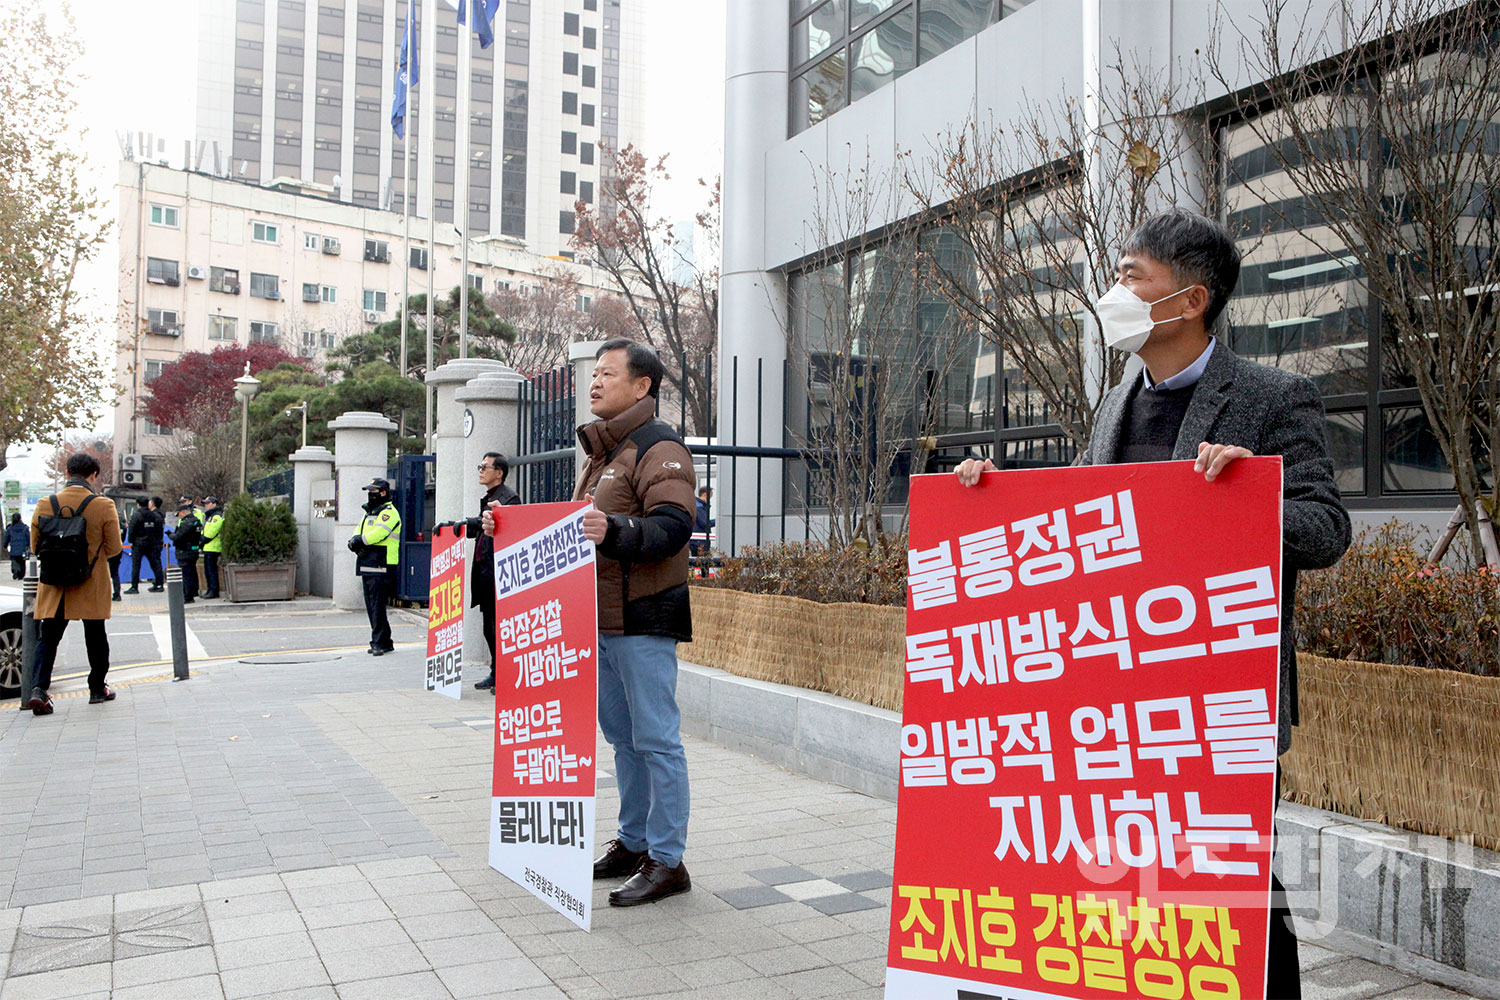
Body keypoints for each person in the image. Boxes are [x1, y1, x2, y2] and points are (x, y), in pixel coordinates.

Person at [955, 209, 1350, 999]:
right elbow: (1077, 524)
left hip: (1219, 699)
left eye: (1131, 276)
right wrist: (989, 497)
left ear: (1191, 298)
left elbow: (1326, 528)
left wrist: (1246, 500)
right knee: (1131, 882)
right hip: (1117, 699)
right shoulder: (1114, 402)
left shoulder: (1273, 396)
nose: (1114, 293)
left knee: (1234, 885)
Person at [488, 338, 696, 907]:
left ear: (642, 385)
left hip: (644, 617)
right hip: (598, 621)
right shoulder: (603, 455)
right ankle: (633, 843)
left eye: (608, 373)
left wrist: (619, 532)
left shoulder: (660, 447)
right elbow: (571, 530)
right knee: (623, 739)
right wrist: (504, 528)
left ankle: (668, 860)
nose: (595, 382)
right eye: (594, 373)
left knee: (656, 740)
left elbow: (675, 527)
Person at [27, 452, 125, 715]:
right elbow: (114, 548)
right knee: (95, 636)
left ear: (67, 474)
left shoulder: (45, 504)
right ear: (93, 476)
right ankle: (96, 689)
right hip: (90, 581)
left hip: (55, 583)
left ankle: (38, 690)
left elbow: (35, 546)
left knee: (48, 638)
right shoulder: (103, 505)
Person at [464, 451, 520, 692]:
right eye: (480, 466)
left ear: (499, 473)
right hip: (485, 570)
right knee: (488, 625)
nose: (480, 470)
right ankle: (496, 672)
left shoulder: (509, 499)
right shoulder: (490, 497)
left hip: (499, 572)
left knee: (499, 625)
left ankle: (506, 674)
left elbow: (510, 531)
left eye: (484, 467)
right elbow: (479, 526)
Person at [349, 477, 401, 655]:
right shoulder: (370, 512)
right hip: (369, 563)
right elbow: (360, 529)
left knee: (377, 605)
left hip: (382, 563)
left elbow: (379, 533)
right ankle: (385, 640)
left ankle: (379, 642)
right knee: (372, 605)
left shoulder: (389, 512)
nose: (370, 495)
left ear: (384, 493)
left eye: (373, 492)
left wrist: (360, 540)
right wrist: (354, 541)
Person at [126, 497, 165, 594]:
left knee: (136, 565)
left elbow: (132, 530)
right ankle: (159, 584)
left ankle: (134, 587)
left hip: (138, 544)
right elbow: (159, 530)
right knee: (155, 564)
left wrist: (131, 541)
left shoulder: (136, 515)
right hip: (151, 543)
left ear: (138, 504)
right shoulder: (154, 515)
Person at [171, 500, 202, 604]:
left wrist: (169, 534)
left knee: (186, 574)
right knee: (192, 572)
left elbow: (178, 536)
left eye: (179, 514)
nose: (179, 516)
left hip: (185, 551)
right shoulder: (196, 521)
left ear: (183, 512)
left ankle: (188, 596)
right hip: (193, 550)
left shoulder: (186, 523)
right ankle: (193, 592)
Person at [200, 496, 224, 599]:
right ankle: (210, 589)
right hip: (208, 548)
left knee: (212, 571)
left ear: (214, 503)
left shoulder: (216, 517)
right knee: (207, 571)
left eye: (208, 503)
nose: (206, 505)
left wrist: (202, 540)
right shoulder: (209, 516)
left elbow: (212, 532)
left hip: (213, 548)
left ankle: (214, 591)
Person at [689, 486, 714, 565]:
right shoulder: (699, 507)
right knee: (702, 564)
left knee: (699, 564)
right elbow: (705, 524)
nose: (709, 501)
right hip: (699, 542)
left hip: (697, 541)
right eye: (709, 497)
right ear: (705, 495)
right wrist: (718, 520)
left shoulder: (697, 505)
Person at [6, 511, 28, 579]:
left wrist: (5, 545)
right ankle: (21, 574)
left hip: (14, 549)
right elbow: (29, 537)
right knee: (22, 562)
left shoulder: (10, 528)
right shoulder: (25, 528)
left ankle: (15, 570)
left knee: (14, 560)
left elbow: (7, 538)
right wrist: (30, 546)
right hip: (23, 549)